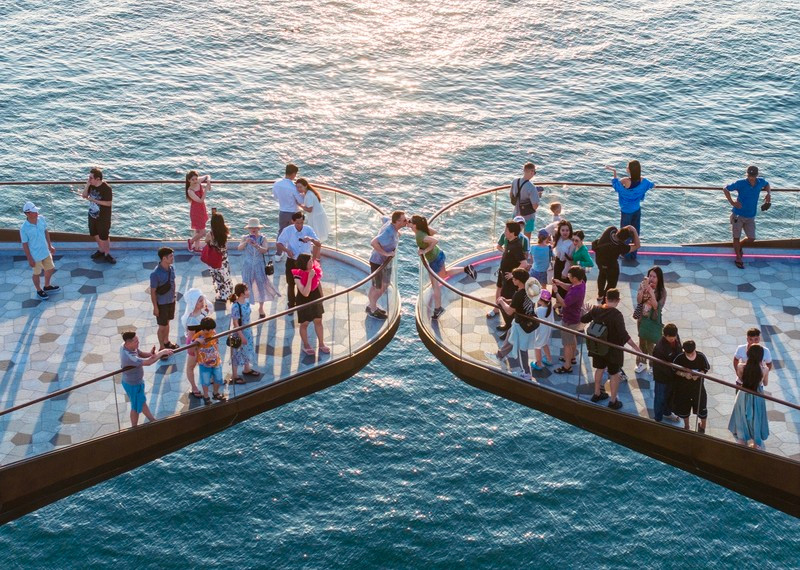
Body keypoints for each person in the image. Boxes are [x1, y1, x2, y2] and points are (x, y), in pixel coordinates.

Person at [580, 288, 641, 409]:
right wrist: (636, 349)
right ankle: (613, 401)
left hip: (598, 347)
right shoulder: (617, 315)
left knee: (599, 369)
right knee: (614, 374)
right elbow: (624, 335)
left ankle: (597, 393)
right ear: (618, 300)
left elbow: (583, 320)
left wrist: (585, 311)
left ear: (606, 298)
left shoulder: (596, 309)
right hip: (613, 351)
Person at [410, 215, 477, 320]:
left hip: (435, 260)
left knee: (435, 286)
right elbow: (434, 232)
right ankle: (466, 269)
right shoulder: (421, 232)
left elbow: (435, 240)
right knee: (444, 274)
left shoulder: (419, 235)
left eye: (410, 221)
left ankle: (438, 308)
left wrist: (424, 251)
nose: (408, 223)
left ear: (414, 225)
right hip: (438, 255)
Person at [486, 270, 540, 381]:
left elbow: (509, 311)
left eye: (514, 278)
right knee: (510, 336)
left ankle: (526, 373)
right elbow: (517, 302)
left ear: (518, 281)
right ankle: (499, 356)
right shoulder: (529, 289)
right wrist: (507, 300)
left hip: (521, 325)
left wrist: (501, 302)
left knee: (522, 349)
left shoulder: (518, 294)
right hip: (525, 322)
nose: (512, 280)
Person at [119, 331, 172, 426]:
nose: (138, 343)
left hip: (137, 382)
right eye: (136, 341)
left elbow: (139, 353)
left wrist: (150, 354)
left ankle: (152, 421)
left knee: (141, 402)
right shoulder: (129, 356)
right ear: (128, 343)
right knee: (135, 406)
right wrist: (162, 352)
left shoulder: (126, 345)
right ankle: (134, 428)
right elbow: (148, 363)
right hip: (132, 384)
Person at [723, 165, 771, 269]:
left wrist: (768, 193)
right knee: (736, 236)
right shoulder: (740, 183)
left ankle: (739, 246)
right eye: (749, 175)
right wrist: (732, 202)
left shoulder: (760, 182)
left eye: (753, 175)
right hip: (738, 215)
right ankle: (738, 258)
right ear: (747, 174)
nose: (751, 177)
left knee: (751, 238)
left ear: (757, 175)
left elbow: (767, 184)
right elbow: (726, 189)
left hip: (751, 216)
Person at [605, 161, 655, 261]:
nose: (626, 168)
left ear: (630, 170)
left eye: (627, 167)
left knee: (624, 234)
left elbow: (616, 185)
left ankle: (625, 254)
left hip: (626, 211)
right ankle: (633, 254)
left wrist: (614, 172)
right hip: (636, 209)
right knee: (635, 232)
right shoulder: (643, 182)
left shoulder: (625, 181)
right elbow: (652, 185)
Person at [728, 344, 770, 449]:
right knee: (757, 419)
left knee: (741, 417)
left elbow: (741, 379)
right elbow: (765, 383)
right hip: (757, 396)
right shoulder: (764, 370)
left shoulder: (740, 367)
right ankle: (756, 445)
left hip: (743, 394)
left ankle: (741, 441)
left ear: (748, 354)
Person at [276, 212, 321, 310]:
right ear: (293, 221)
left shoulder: (308, 229)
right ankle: (291, 304)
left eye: (301, 222)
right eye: (297, 223)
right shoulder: (287, 230)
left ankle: (304, 303)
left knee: (306, 282)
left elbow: (318, 244)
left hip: (305, 262)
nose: (299, 225)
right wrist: (287, 250)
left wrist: (311, 239)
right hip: (292, 260)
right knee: (291, 283)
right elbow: (279, 243)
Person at [367, 210, 407, 319]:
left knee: (383, 285)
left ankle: (371, 305)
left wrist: (397, 233)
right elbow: (373, 242)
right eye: (404, 220)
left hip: (384, 262)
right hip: (378, 262)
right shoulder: (389, 232)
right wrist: (386, 253)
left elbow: (383, 218)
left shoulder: (390, 223)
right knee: (378, 287)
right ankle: (372, 308)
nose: (406, 222)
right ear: (397, 221)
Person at [237, 218, 279, 318]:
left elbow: (265, 250)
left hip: (259, 265)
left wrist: (257, 246)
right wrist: (246, 242)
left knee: (261, 285)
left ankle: (261, 307)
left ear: (258, 228)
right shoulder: (245, 238)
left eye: (255, 227)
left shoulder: (262, 238)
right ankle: (245, 305)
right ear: (248, 229)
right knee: (246, 285)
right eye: (251, 227)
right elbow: (239, 248)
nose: (253, 229)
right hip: (248, 265)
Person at [488, 217, 529, 318]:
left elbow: (524, 263)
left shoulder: (516, 246)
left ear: (512, 233)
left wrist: (512, 275)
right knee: (499, 290)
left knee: (506, 297)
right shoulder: (509, 242)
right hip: (503, 274)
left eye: (506, 230)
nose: (504, 232)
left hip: (509, 278)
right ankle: (497, 309)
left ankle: (509, 322)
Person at [19, 201, 59, 300]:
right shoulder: (24, 228)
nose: (37, 213)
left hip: (45, 251)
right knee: (36, 273)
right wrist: (29, 258)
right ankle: (39, 290)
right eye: (34, 211)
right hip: (35, 255)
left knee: (51, 268)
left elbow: (46, 232)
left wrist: (50, 246)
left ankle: (47, 286)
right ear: (27, 213)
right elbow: (25, 244)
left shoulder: (41, 219)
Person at [292, 252, 330, 355]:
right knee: (304, 324)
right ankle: (306, 345)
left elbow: (318, 283)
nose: (312, 262)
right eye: (309, 261)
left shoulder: (314, 270)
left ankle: (321, 343)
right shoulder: (297, 276)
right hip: (304, 300)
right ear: (304, 263)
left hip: (315, 297)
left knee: (318, 321)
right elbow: (305, 293)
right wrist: (309, 277)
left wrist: (321, 296)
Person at [592, 225, 641, 302]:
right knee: (611, 284)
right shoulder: (621, 247)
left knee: (602, 274)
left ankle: (600, 294)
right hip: (610, 266)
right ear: (625, 240)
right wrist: (634, 230)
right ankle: (605, 301)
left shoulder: (611, 230)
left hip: (599, 260)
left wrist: (629, 227)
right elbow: (637, 245)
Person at [553, 265, 587, 374]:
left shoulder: (575, 292)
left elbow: (564, 303)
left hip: (569, 319)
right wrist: (560, 283)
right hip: (575, 317)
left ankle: (567, 366)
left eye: (570, 275)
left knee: (567, 344)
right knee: (572, 338)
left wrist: (556, 292)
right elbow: (570, 286)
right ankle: (572, 357)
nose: (568, 276)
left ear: (575, 278)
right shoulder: (581, 284)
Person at [672, 340, 711, 432]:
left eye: (692, 353)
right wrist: (684, 374)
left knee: (702, 407)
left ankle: (702, 427)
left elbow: (705, 369)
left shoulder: (701, 356)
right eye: (687, 353)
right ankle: (686, 426)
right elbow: (674, 369)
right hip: (684, 388)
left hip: (698, 388)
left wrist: (698, 375)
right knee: (684, 408)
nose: (690, 355)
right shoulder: (680, 358)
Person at [181, 288, 213, 399]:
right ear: (193, 302)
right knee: (190, 367)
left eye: (202, 300)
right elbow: (190, 339)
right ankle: (194, 387)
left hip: (204, 344)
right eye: (199, 301)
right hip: (195, 346)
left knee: (207, 361)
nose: (202, 302)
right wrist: (196, 343)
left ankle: (212, 378)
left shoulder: (203, 312)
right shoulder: (192, 319)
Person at [634, 266, 667, 374]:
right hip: (642, 319)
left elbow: (657, 306)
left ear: (659, 278)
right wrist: (643, 290)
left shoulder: (662, 291)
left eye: (654, 276)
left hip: (653, 320)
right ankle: (641, 363)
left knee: (652, 343)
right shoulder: (643, 285)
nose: (651, 278)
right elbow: (639, 301)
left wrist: (651, 291)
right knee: (642, 342)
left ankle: (653, 364)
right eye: (650, 276)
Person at [81, 167, 115, 264]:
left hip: (103, 217)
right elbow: (84, 196)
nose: (89, 179)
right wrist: (87, 185)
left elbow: (108, 203)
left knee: (104, 236)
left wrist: (94, 200)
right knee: (94, 233)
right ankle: (101, 250)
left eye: (91, 178)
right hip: (92, 215)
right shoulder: (91, 185)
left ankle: (107, 254)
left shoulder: (107, 188)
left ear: (98, 179)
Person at [190, 317, 227, 405]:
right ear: (203, 329)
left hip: (216, 361)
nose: (211, 331)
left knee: (218, 378)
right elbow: (191, 348)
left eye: (212, 329)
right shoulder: (198, 336)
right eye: (209, 329)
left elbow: (216, 344)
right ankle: (206, 396)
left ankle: (215, 393)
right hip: (204, 363)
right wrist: (196, 341)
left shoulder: (213, 332)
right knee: (205, 381)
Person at [229, 283, 260, 384]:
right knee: (236, 354)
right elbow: (235, 323)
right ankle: (234, 375)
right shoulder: (235, 306)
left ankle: (247, 369)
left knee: (247, 350)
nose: (249, 292)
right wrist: (242, 336)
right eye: (247, 290)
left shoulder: (246, 302)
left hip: (247, 330)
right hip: (239, 333)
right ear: (242, 294)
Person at [149, 247, 178, 351]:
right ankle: (161, 347)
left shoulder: (171, 268)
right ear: (164, 258)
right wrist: (155, 307)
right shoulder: (155, 274)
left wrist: (174, 295)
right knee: (162, 326)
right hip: (161, 304)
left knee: (167, 322)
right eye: (170, 256)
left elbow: (172, 282)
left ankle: (166, 342)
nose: (172, 258)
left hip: (171, 301)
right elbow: (153, 291)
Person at [651, 323, 682, 423]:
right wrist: (676, 371)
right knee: (660, 397)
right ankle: (658, 418)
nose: (674, 339)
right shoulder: (660, 348)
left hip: (673, 375)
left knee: (670, 396)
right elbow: (661, 366)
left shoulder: (676, 338)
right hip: (662, 377)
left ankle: (667, 413)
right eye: (671, 338)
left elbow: (679, 351)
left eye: (675, 337)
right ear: (666, 336)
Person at [272, 163, 303, 249]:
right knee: (294, 233)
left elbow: (275, 197)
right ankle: (292, 252)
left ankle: (278, 254)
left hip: (282, 212)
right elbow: (301, 201)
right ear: (293, 174)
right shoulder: (293, 187)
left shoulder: (276, 184)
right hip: (293, 213)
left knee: (281, 232)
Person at [206, 212, 234, 302]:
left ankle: (223, 296)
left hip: (214, 259)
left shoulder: (210, 234)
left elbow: (207, 242)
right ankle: (229, 292)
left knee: (218, 277)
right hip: (223, 258)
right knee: (225, 275)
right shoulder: (225, 232)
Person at [509, 162, 541, 240]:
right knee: (526, 238)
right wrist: (538, 196)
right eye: (534, 172)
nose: (534, 174)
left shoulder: (515, 181)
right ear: (531, 172)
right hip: (528, 216)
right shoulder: (531, 187)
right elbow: (535, 206)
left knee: (515, 236)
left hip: (516, 214)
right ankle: (525, 252)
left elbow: (511, 195)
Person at [296, 178, 330, 243]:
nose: (299, 189)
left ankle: (316, 252)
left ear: (305, 186)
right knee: (315, 238)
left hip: (316, 218)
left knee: (315, 238)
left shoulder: (309, 195)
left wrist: (299, 205)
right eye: (297, 187)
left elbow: (309, 209)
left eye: (300, 187)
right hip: (317, 216)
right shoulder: (308, 192)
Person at [185, 170, 211, 252]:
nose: (195, 181)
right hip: (196, 211)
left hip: (202, 209)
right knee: (202, 232)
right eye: (193, 180)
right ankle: (190, 241)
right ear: (189, 180)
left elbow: (207, 176)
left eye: (196, 179)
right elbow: (200, 200)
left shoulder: (198, 181)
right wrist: (206, 189)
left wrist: (208, 181)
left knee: (198, 230)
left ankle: (196, 248)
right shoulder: (190, 191)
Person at [552, 220, 575, 302]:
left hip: (566, 265)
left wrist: (565, 271)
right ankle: (558, 301)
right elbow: (550, 229)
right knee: (557, 282)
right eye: (563, 230)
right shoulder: (559, 238)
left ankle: (563, 302)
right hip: (558, 263)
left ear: (570, 231)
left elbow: (570, 259)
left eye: (567, 230)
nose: (565, 232)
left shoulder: (572, 243)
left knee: (563, 283)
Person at [532, 288, 555, 371]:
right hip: (547, 331)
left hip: (540, 332)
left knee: (537, 346)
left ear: (541, 300)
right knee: (545, 344)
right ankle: (549, 359)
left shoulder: (539, 310)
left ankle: (539, 364)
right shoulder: (550, 308)